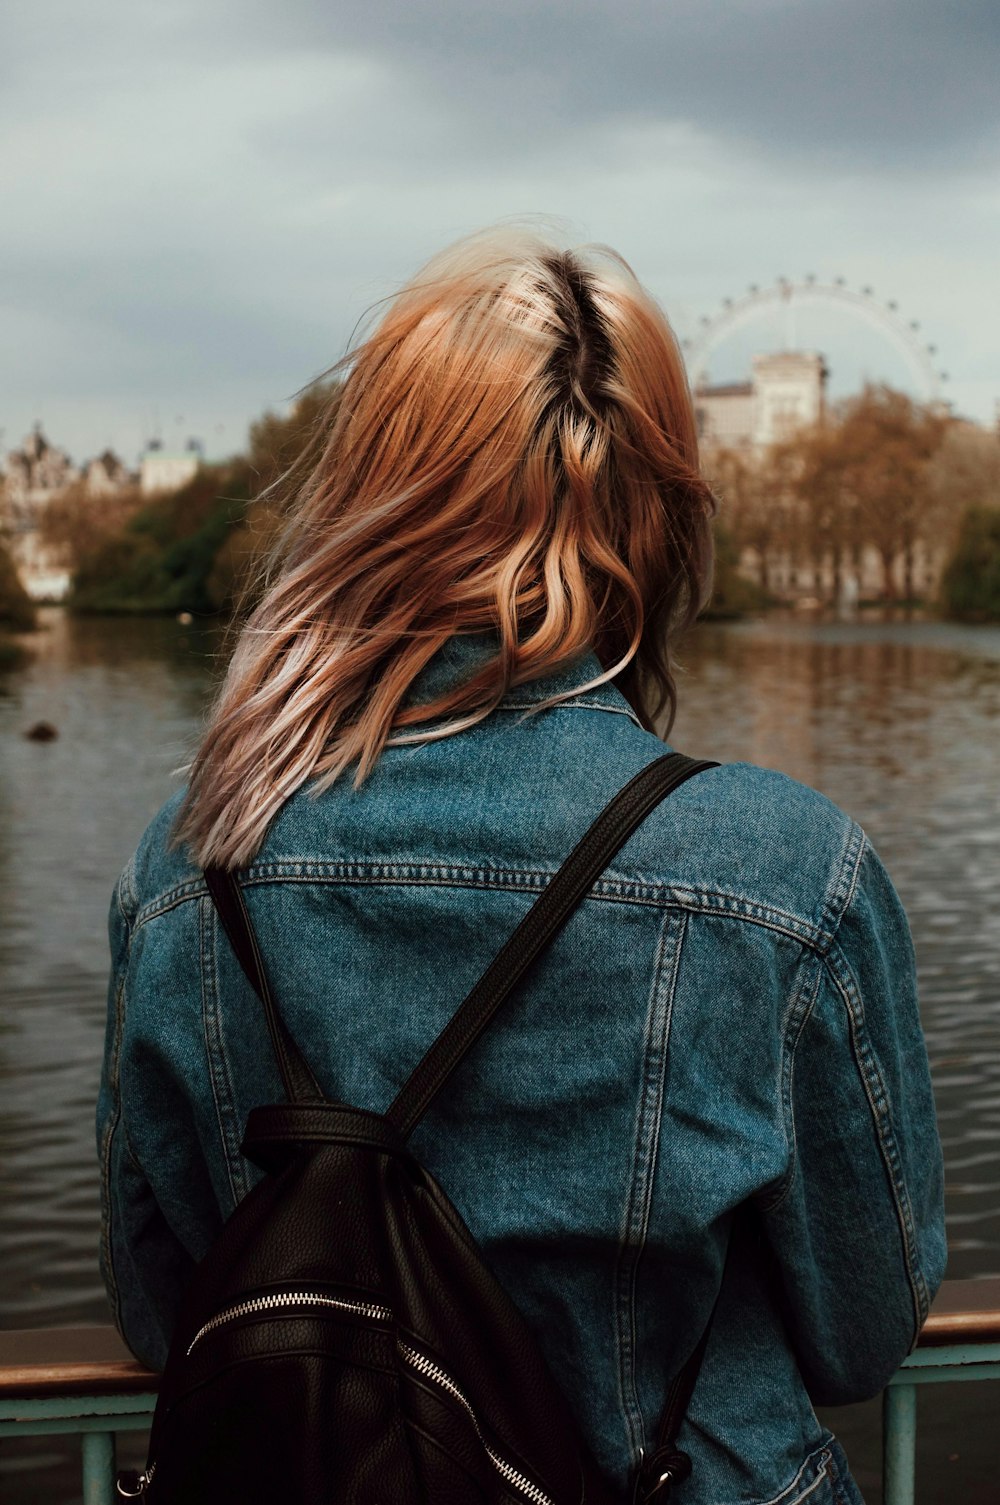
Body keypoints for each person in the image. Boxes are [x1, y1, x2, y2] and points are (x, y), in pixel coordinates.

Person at [98, 228, 946, 1505]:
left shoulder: (190, 863)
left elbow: (164, 1310)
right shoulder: (782, 873)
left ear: (364, 494)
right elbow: (861, 1329)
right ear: (659, 513)